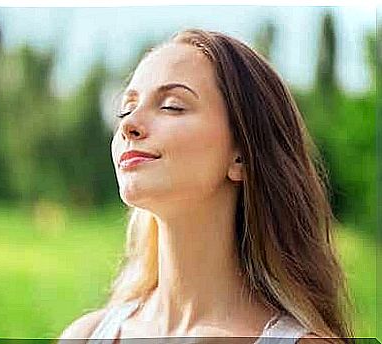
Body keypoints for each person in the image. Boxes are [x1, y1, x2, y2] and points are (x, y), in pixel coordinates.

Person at [59, 28, 354, 344]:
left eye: (172, 105)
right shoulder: (86, 335)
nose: (128, 125)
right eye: (126, 108)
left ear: (241, 156)